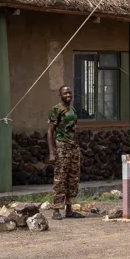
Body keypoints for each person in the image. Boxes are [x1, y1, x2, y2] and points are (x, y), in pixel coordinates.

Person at [47, 85, 82, 220]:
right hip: (61, 147)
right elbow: (50, 131)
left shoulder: (72, 110)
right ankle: (56, 210)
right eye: (65, 93)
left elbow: (74, 130)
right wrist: (51, 152)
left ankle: (69, 209)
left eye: (70, 93)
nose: (68, 95)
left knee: (73, 179)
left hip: (73, 148)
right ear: (60, 95)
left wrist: (78, 148)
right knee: (60, 179)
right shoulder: (56, 110)